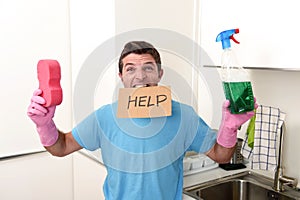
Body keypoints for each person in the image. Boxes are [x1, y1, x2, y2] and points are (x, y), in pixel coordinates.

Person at [27, 41, 256, 200]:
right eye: (130, 69)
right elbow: (62, 147)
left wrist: (229, 127)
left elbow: (221, 155)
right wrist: (45, 125)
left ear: (160, 74)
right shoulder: (104, 117)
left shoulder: (184, 116)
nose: (140, 76)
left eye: (148, 67)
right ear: (121, 76)